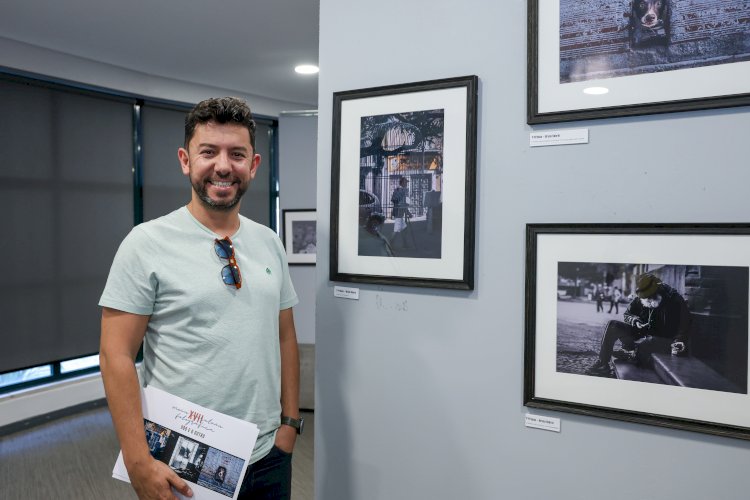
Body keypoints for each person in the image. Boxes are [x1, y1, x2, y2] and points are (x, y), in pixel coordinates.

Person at [99, 97, 302, 500]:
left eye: (237, 154)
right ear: (185, 160)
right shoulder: (146, 244)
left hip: (267, 455)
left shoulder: (269, 242)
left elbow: (284, 336)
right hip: (184, 462)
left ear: (254, 165)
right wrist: (138, 459)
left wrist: (289, 426)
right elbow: (115, 354)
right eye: (208, 152)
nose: (223, 166)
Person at [587, 273, 689, 376]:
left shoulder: (674, 299)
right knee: (613, 325)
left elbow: (684, 324)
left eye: (650, 298)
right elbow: (627, 314)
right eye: (644, 298)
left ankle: (630, 353)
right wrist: (635, 321)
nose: (647, 301)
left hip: (662, 340)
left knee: (650, 341)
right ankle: (603, 364)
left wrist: (679, 340)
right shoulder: (642, 296)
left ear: (658, 292)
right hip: (641, 335)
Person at [390, 176, 412, 249]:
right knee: (396, 230)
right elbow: (403, 203)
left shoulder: (397, 190)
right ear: (402, 183)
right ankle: (389, 244)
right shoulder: (402, 190)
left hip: (398, 211)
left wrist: (407, 211)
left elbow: (394, 200)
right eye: (406, 182)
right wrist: (408, 212)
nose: (406, 184)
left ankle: (404, 244)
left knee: (404, 229)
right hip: (399, 212)